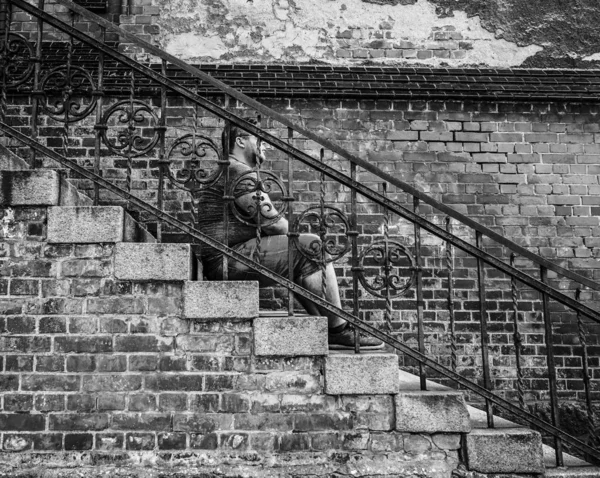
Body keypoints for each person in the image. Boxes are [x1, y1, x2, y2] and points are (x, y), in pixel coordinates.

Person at [196, 119, 383, 350]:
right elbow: (272, 222)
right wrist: (301, 235)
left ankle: (329, 327)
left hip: (226, 258)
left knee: (300, 256)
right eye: (259, 139)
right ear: (240, 141)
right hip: (226, 260)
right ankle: (340, 329)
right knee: (311, 246)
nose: (265, 146)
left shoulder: (230, 170)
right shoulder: (239, 172)